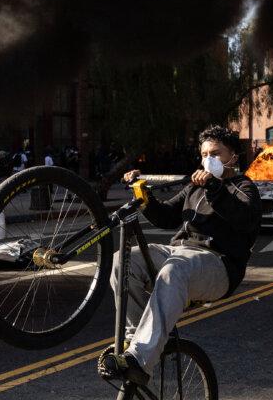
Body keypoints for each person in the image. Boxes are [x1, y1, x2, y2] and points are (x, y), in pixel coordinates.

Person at [100, 125, 262, 385]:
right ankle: (136, 344)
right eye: (204, 154)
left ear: (233, 155)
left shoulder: (243, 187)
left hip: (218, 263)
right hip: (179, 251)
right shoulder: (194, 187)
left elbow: (246, 219)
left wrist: (215, 188)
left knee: (174, 269)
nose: (208, 159)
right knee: (123, 260)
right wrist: (143, 193)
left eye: (216, 153)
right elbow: (166, 217)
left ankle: (141, 360)